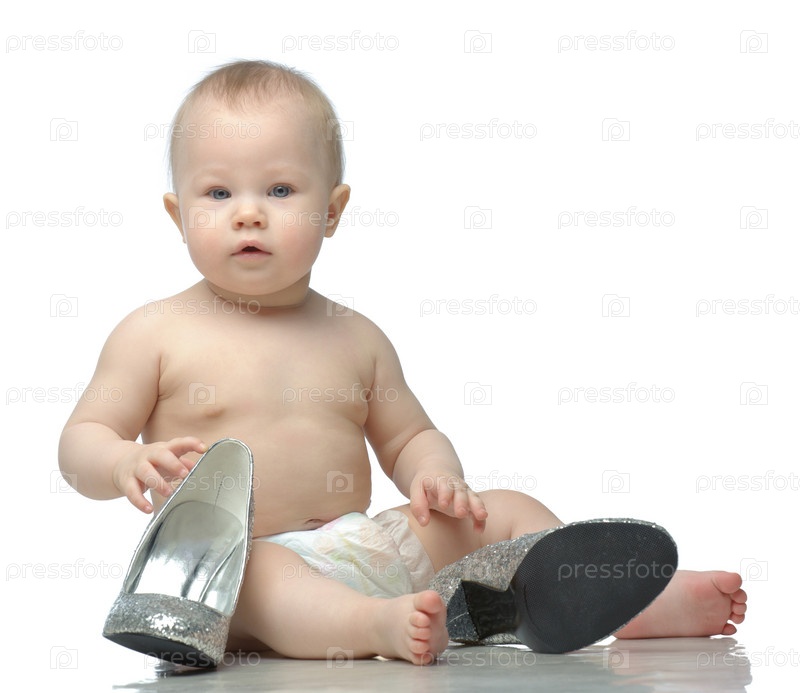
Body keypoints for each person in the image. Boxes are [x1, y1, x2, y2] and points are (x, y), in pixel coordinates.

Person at [58, 60, 746, 666]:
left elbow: (409, 435)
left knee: (506, 511)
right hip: (237, 574)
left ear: (332, 211)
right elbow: (81, 440)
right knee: (263, 573)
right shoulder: (154, 333)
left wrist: (435, 476)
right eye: (218, 194)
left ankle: (624, 600)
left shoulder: (355, 337)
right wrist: (121, 462)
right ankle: (373, 627)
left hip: (368, 544)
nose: (248, 215)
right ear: (177, 214)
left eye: (280, 191)